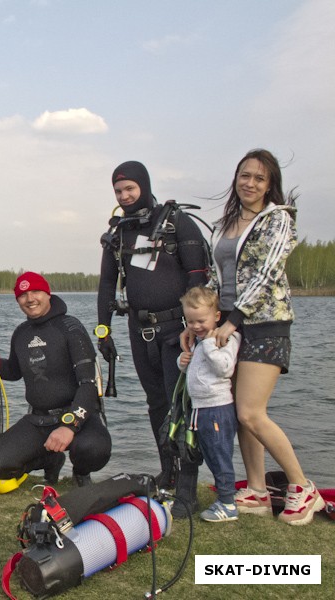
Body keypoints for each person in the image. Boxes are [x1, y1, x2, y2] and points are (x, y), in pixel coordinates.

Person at [187, 148, 324, 525]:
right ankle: (258, 490)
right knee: (238, 414)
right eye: (245, 175)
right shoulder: (223, 223)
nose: (250, 183)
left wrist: (234, 321)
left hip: (264, 323)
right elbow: (215, 279)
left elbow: (266, 275)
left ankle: (302, 488)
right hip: (228, 323)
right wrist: (200, 322)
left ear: (269, 185)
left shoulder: (278, 220)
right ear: (236, 178)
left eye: (259, 178)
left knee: (251, 411)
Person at [96, 161, 209, 516]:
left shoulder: (176, 223)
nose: (125, 196)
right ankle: (169, 473)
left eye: (130, 188)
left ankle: (188, 489)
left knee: (182, 405)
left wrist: (194, 327)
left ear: (143, 185)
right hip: (139, 328)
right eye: (118, 191)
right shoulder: (118, 233)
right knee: (156, 402)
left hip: (178, 330)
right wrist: (103, 330)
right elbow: (104, 285)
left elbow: (198, 275)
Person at [0, 272, 112, 486]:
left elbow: (89, 385)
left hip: (77, 416)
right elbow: (14, 371)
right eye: (22, 295)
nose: (30, 299)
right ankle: (50, 460)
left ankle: (80, 472)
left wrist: (70, 426)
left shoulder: (71, 328)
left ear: (48, 293)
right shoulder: (21, 333)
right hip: (38, 420)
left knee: (94, 450)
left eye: (35, 292)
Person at [177, 286, 241, 522]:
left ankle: (227, 503)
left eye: (200, 321)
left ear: (216, 317)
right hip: (199, 408)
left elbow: (225, 368)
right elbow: (194, 369)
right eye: (190, 321)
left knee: (219, 454)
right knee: (207, 453)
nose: (195, 326)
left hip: (217, 408)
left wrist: (210, 346)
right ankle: (223, 497)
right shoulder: (200, 340)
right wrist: (182, 362)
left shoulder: (224, 339)